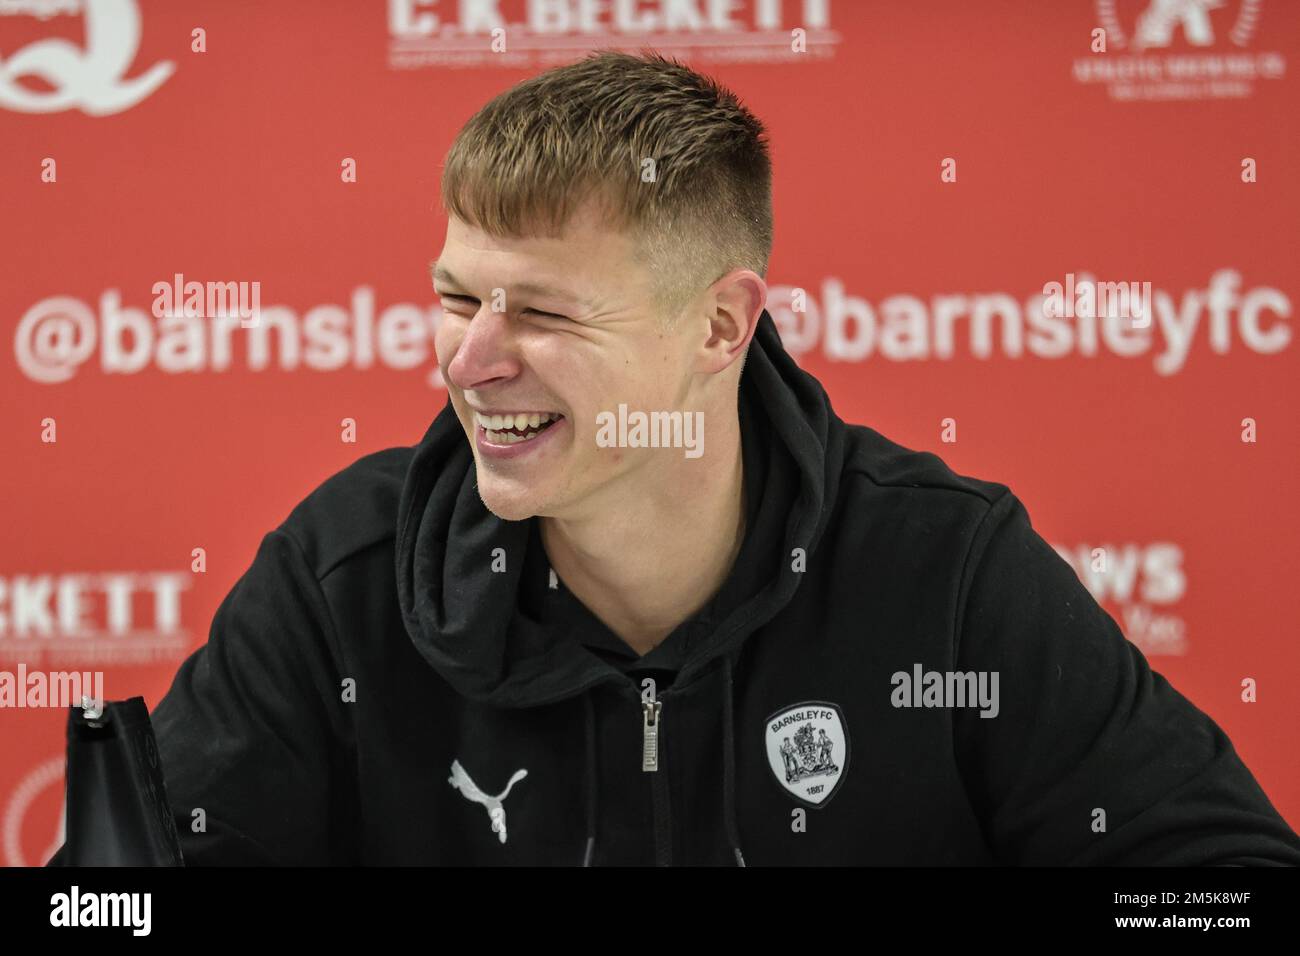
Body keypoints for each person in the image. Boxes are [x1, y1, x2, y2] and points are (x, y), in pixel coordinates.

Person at [51, 50, 1300, 867]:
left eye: (540, 314)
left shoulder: (944, 571)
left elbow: (1219, 884)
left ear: (719, 325)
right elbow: (105, 904)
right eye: (455, 297)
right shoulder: (346, 575)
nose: (471, 360)